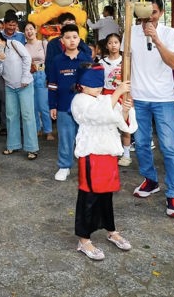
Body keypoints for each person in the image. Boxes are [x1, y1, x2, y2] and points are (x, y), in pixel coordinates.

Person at [70, 64, 137, 260]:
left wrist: (125, 110)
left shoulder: (105, 98)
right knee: (89, 195)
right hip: (91, 152)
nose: (98, 89)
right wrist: (117, 93)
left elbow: (120, 122)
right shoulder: (79, 101)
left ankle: (111, 229)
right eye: (93, 85)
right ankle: (83, 240)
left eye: (100, 85)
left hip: (108, 152)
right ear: (81, 85)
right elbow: (97, 115)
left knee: (106, 194)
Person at [129, 0, 174, 218]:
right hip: (138, 98)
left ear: (160, 13)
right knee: (141, 143)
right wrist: (127, 93)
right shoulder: (130, 32)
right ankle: (150, 180)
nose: (148, 17)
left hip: (163, 98)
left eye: (153, 12)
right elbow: (126, 63)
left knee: (170, 146)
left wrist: (157, 39)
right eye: (144, 12)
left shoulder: (169, 33)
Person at [0, 28, 39, 159]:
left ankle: (32, 148)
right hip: (9, 86)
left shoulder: (14, 44)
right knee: (11, 116)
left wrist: (25, 76)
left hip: (24, 84)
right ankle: (13, 145)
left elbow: (27, 58)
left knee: (27, 115)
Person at [48, 24, 90, 181]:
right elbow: (52, 84)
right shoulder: (57, 61)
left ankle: (86, 167)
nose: (71, 41)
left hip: (85, 107)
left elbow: (93, 84)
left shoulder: (86, 59)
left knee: (85, 137)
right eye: (67, 38)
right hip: (64, 106)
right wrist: (52, 105)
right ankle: (64, 166)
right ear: (62, 41)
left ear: (79, 39)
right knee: (65, 137)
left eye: (74, 37)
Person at [98, 33, 132, 166]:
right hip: (107, 95)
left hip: (123, 95)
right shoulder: (101, 63)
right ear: (106, 45)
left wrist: (130, 97)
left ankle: (126, 155)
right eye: (110, 43)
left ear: (120, 44)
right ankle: (110, 151)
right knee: (108, 125)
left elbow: (130, 80)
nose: (113, 45)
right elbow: (99, 82)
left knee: (125, 125)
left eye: (116, 42)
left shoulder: (126, 61)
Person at [24, 21, 53, 142]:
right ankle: (37, 128)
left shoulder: (43, 43)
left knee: (43, 105)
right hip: (31, 75)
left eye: (31, 29)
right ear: (24, 33)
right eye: (26, 30)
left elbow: (49, 61)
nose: (29, 32)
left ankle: (48, 131)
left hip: (42, 75)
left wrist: (49, 77)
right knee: (33, 105)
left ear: (36, 30)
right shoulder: (24, 47)